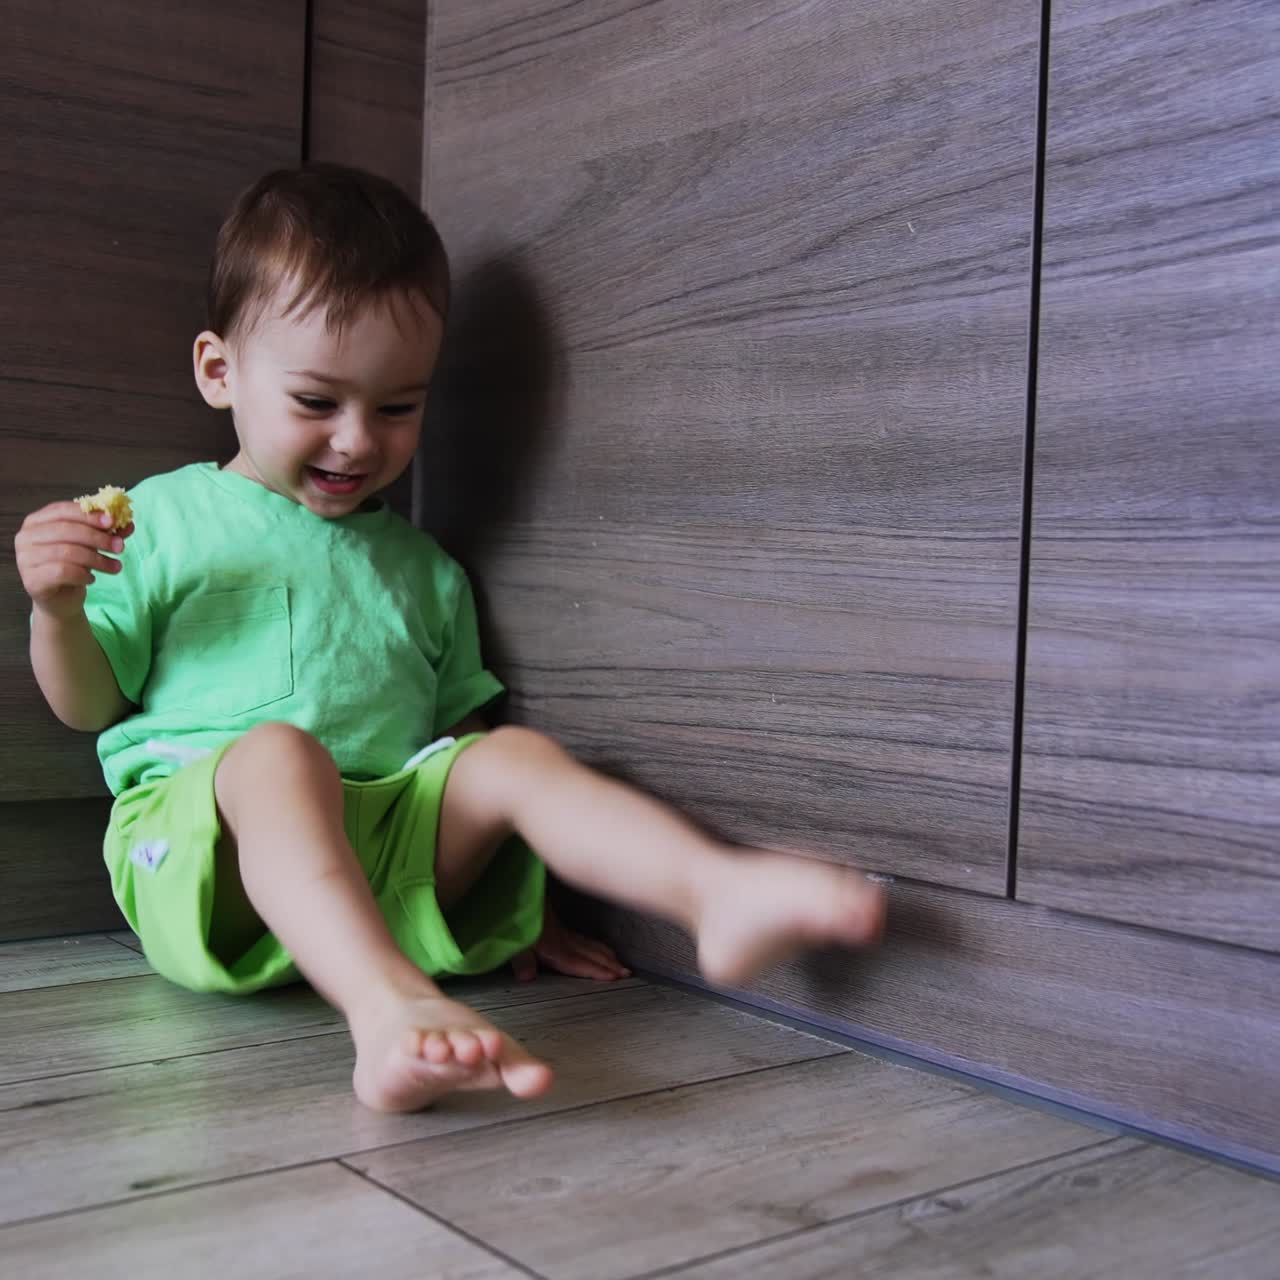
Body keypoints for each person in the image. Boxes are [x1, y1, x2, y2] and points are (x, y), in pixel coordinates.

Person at [15, 163, 886, 1113]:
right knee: (275, 757)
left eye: (397, 407)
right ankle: (387, 1009)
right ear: (221, 372)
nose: (356, 441)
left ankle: (711, 889)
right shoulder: (161, 519)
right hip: (203, 866)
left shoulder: (426, 572)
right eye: (318, 402)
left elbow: (455, 764)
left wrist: (521, 905)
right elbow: (88, 704)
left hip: (387, 865)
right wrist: (57, 609)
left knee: (510, 754)